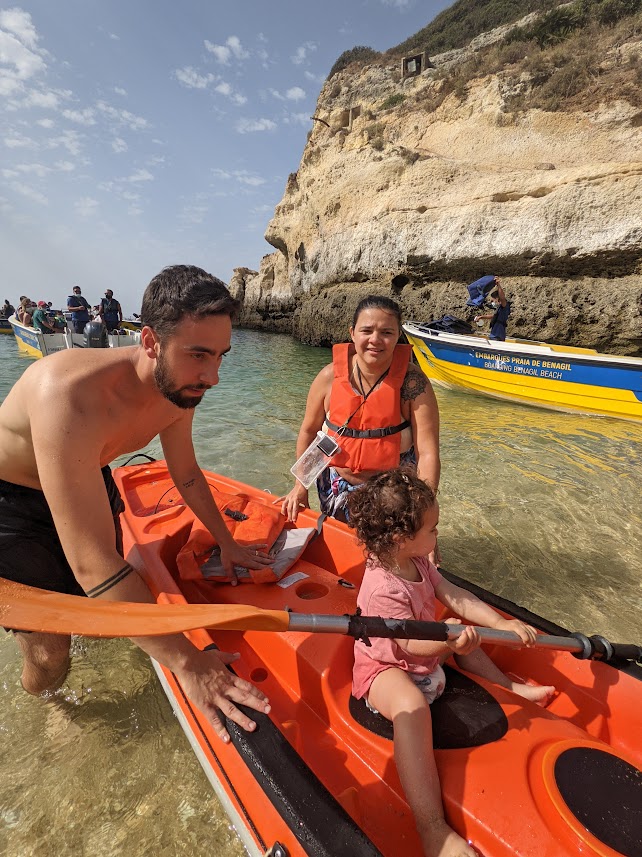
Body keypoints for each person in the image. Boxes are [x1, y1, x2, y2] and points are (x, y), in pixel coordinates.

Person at [0, 265, 273, 742]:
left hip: (85, 472)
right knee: (50, 654)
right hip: (12, 505)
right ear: (149, 341)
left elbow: (186, 474)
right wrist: (190, 663)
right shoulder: (66, 394)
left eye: (222, 356)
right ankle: (47, 705)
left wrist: (227, 542)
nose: (213, 377)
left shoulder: (181, 386)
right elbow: (94, 567)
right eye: (198, 354)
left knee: (108, 590)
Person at [347, 468, 555, 857]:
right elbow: (406, 644)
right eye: (432, 529)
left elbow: (453, 594)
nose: (437, 536)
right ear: (401, 538)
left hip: (425, 652)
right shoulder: (382, 587)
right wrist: (445, 640)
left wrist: (499, 621)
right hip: (385, 668)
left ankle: (511, 688)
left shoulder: (419, 562)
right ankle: (432, 829)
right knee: (411, 704)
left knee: (466, 639)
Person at [280, 295, 440, 525]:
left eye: (387, 332)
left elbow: (428, 453)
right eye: (367, 331)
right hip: (336, 488)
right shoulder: (328, 378)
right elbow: (308, 432)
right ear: (352, 333)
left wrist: (425, 515)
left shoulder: (413, 383)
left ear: (398, 337)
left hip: (392, 495)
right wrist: (300, 487)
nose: (376, 340)